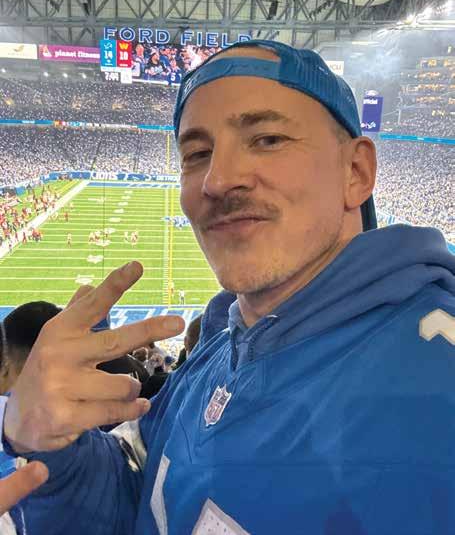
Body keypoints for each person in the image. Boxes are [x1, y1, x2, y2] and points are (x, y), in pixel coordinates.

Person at [1, 40, 455, 535]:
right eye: (197, 153)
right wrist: (56, 452)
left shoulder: (435, 388)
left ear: (356, 171)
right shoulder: (225, 344)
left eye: (268, 139)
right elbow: (143, 500)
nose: (217, 180)